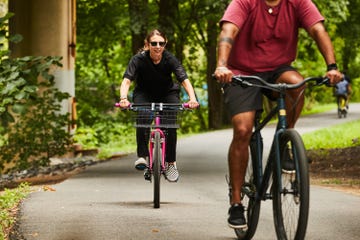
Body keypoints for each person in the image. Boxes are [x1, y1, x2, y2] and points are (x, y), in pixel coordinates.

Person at [213, 0, 343, 229]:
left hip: (278, 69)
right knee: (243, 129)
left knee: (297, 85)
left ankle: (285, 142)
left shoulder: (298, 3)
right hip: (241, 72)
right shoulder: (244, 2)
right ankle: (236, 203)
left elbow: (317, 29)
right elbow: (228, 31)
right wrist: (222, 65)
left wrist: (332, 66)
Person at [119, 29, 199, 182]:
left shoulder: (169, 59)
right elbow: (127, 80)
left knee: (170, 124)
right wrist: (123, 98)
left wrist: (192, 98)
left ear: (165, 44)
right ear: (147, 44)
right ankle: (143, 157)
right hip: (144, 94)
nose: (157, 46)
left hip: (167, 94)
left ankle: (170, 163)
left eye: (161, 43)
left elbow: (184, 79)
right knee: (142, 117)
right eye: (154, 43)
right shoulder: (138, 59)